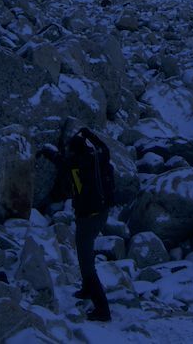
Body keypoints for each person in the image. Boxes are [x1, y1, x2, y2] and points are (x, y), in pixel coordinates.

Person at [45, 124, 115, 322]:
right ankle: (86, 289)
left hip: (88, 218)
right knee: (82, 249)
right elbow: (104, 147)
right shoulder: (97, 159)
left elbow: (60, 161)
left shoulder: (75, 164)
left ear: (74, 152)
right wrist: (89, 133)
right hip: (100, 213)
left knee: (86, 263)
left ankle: (103, 310)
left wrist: (46, 151)